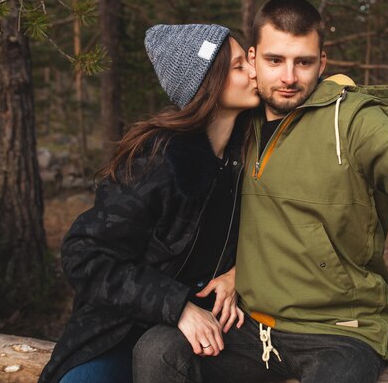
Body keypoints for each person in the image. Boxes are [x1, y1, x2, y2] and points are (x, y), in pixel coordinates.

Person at [134, 0, 388, 383]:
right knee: (159, 350)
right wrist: (239, 271)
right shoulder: (239, 122)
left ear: (321, 63)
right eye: (275, 60)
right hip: (251, 329)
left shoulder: (353, 121)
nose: (289, 77)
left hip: (338, 332)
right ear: (252, 59)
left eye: (303, 62)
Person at [38, 23, 259, 383]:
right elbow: (84, 254)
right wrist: (178, 306)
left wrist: (239, 274)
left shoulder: (248, 154)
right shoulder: (158, 159)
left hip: (199, 340)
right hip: (120, 332)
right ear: (207, 83)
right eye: (238, 66)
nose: (253, 71)